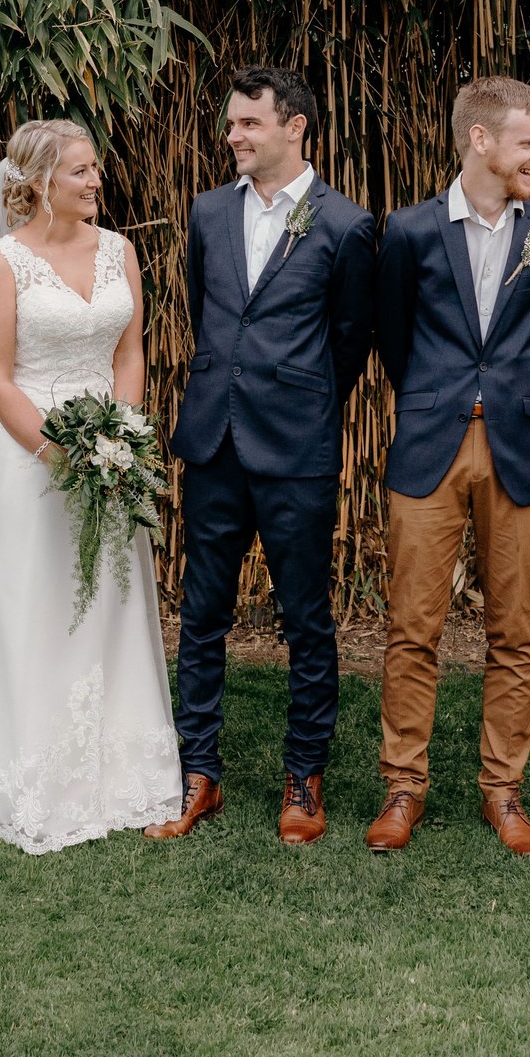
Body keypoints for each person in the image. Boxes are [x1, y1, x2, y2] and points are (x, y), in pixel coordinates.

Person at [0, 120, 181, 853]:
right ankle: (13, 765)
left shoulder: (120, 251)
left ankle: (112, 766)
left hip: (107, 446)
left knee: (104, 593)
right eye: (80, 172)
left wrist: (122, 436)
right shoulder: (4, 263)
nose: (95, 181)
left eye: (95, 170)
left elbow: (130, 350)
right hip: (28, 447)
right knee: (29, 592)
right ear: (41, 183)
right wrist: (61, 452)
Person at [369, 75, 530, 857]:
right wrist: (440, 397)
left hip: (524, 448)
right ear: (481, 141)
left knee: (517, 630)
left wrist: (526, 403)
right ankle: (403, 787)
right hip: (431, 445)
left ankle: (504, 791)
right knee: (412, 628)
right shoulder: (407, 230)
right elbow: (395, 341)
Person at [149, 68, 375, 846]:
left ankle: (303, 777)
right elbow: (203, 307)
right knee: (202, 615)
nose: (234, 136)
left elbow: (348, 341)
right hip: (212, 441)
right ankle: (197, 772)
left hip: (296, 449)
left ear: (295, 127)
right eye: (232, 124)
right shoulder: (208, 211)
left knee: (306, 620)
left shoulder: (346, 224)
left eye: (249, 123)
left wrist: (296, 397)